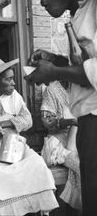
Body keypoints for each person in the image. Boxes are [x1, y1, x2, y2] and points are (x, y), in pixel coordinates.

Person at [25, 0, 97, 215]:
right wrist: (56, 60)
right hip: (87, 121)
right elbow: (86, 66)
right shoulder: (80, 10)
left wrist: (55, 72)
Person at [0, 55, 59, 216]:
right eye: (8, 79)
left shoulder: (15, 97)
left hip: (16, 144)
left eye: (13, 79)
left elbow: (28, 120)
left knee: (36, 163)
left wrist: (3, 123)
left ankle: (33, 209)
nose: (13, 83)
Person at [40, 80, 81, 212]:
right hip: (57, 142)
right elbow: (48, 121)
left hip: (79, 137)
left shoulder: (83, 88)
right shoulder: (52, 89)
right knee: (81, 166)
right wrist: (71, 121)